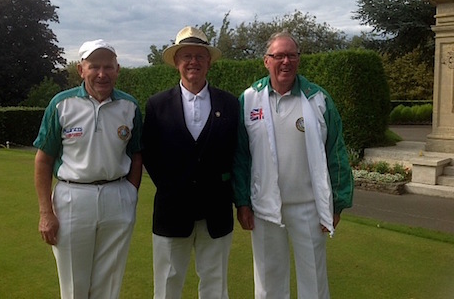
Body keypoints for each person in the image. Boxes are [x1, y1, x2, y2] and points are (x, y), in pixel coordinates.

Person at [233, 31, 354, 299]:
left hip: (308, 207)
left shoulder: (318, 100)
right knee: (268, 282)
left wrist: (338, 202)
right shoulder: (249, 99)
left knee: (314, 280)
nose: (285, 61)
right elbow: (241, 157)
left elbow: (336, 153)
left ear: (299, 60)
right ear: (267, 61)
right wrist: (242, 202)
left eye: (291, 55)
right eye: (278, 56)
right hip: (264, 208)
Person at [33, 39, 143, 299]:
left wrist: (130, 193)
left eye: (108, 66)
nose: (102, 73)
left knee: (110, 282)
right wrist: (45, 213)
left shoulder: (130, 106)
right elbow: (43, 159)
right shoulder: (61, 104)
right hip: (73, 197)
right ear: (81, 69)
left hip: (117, 195)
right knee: (74, 284)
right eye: (94, 66)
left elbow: (136, 154)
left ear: (117, 70)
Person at [142, 26, 239, 299]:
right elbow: (150, 154)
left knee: (215, 284)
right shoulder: (157, 105)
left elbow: (236, 152)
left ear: (209, 61)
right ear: (177, 62)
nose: (193, 61)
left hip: (217, 210)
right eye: (186, 56)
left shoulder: (230, 104)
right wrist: (173, 187)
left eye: (199, 55)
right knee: (167, 284)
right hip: (171, 211)